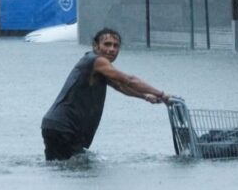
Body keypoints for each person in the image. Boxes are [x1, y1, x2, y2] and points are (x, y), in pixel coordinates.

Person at [41, 28, 172, 161]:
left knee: (61, 167)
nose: (111, 49)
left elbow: (120, 86)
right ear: (95, 46)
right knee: (75, 167)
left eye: (116, 46)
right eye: (107, 44)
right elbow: (129, 80)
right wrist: (160, 94)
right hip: (64, 127)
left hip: (57, 126)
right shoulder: (97, 61)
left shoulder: (97, 66)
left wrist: (145, 96)